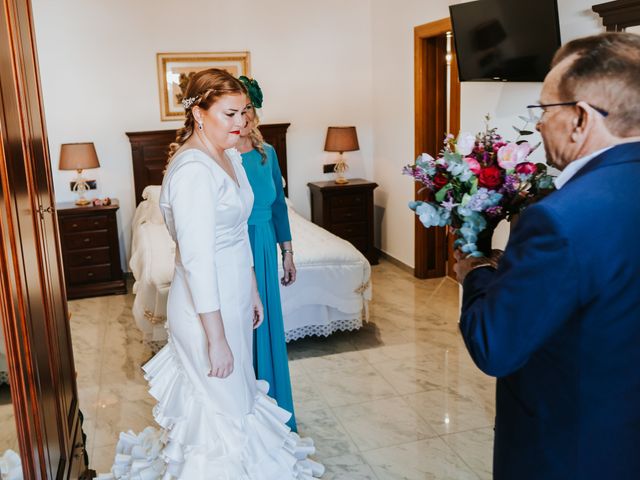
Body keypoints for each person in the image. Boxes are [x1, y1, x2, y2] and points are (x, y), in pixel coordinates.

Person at [100, 69, 323, 479]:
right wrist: (216, 340)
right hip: (206, 312)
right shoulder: (192, 172)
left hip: (235, 297)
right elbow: (197, 261)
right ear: (199, 113)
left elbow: (238, 235)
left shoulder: (231, 156)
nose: (242, 123)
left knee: (238, 396)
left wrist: (253, 289)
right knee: (222, 407)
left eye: (245, 112)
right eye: (230, 114)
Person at [454, 32, 640, 480]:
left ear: (579, 119)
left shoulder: (558, 218)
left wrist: (476, 272)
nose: (537, 124)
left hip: (570, 448)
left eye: (543, 109)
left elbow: (494, 346)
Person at [235, 76, 298, 431]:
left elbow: (279, 207)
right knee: (240, 323)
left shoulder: (267, 153)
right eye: (236, 110)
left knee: (267, 324)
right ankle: (244, 409)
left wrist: (287, 251)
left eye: (248, 109)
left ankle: (273, 408)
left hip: (265, 241)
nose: (243, 118)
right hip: (235, 244)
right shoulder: (219, 155)